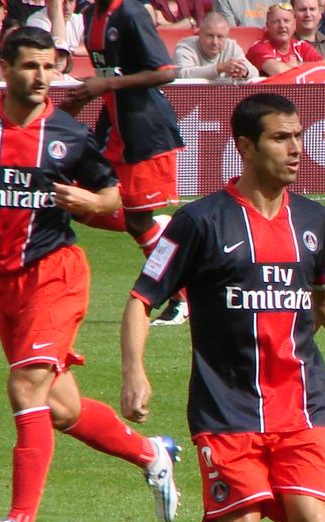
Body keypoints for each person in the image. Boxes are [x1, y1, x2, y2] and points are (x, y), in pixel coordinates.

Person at [120, 93, 325, 522]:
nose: (296, 148)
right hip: (226, 408)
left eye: (298, 136)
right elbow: (143, 297)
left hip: (303, 404)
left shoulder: (313, 220)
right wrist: (134, 372)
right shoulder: (200, 221)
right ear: (245, 147)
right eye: (281, 138)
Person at [0, 26, 180, 522]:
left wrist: (88, 198)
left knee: (25, 388)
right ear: (5, 69)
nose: (42, 77)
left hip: (56, 274)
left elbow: (113, 199)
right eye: (30, 67)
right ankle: (152, 453)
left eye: (48, 67)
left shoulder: (69, 134)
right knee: (60, 407)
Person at [64, 0, 188, 325]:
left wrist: (106, 85)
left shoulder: (130, 13)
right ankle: (161, 234)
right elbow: (112, 72)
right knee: (78, 202)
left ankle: (182, 297)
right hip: (114, 128)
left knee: (136, 222)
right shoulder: (90, 16)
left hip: (146, 132)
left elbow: (166, 72)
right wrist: (91, 92)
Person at [173, 10, 259, 80]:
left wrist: (244, 71)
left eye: (220, 37)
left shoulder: (231, 46)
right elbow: (182, 74)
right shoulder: (186, 46)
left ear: (226, 37)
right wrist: (219, 68)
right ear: (199, 33)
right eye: (210, 36)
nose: (215, 42)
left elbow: (255, 73)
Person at [246, 2, 325, 76]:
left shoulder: (301, 46)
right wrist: (308, 68)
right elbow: (279, 71)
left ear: (294, 25)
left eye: (286, 21)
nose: (282, 26)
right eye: (276, 22)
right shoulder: (258, 48)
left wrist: (299, 64)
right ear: (267, 26)